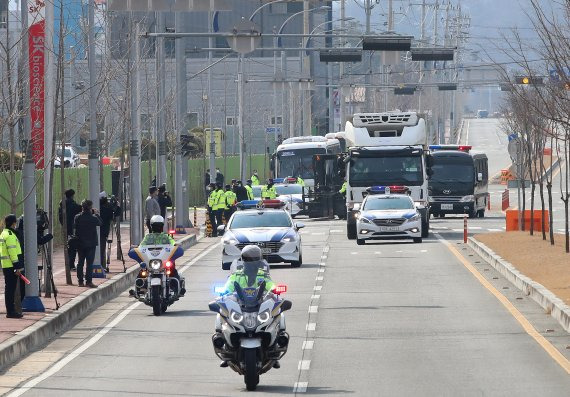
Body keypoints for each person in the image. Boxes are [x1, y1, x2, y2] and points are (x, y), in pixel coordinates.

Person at [219, 245, 276, 368]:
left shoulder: (263, 275)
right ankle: (225, 347)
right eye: (249, 260)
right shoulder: (237, 275)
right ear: (243, 260)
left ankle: (274, 346)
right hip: (241, 307)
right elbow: (228, 286)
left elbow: (271, 285)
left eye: (254, 260)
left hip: (258, 306)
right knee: (221, 312)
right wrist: (223, 292)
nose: (252, 263)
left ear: (259, 260)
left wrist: (274, 290)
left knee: (277, 312)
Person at [136, 215, 185, 296]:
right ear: (151, 226)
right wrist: (137, 247)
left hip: (164, 262)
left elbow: (173, 243)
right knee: (142, 271)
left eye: (158, 226)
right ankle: (139, 288)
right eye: (155, 226)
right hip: (152, 262)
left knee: (172, 270)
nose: (157, 228)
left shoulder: (166, 237)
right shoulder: (148, 237)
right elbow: (141, 246)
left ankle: (177, 289)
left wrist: (176, 245)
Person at [73, 200, 102, 288]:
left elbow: (74, 227)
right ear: (90, 208)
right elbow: (100, 223)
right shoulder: (93, 218)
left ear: (82, 207)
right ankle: (89, 281)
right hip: (91, 243)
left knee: (80, 262)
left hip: (80, 243)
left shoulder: (77, 217)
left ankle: (80, 281)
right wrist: (96, 213)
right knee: (89, 264)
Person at [1, 214, 25, 318]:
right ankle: (10, 312)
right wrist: (17, 267)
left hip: (6, 265)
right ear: (13, 223)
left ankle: (10, 310)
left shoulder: (4, 233)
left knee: (9, 289)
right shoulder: (10, 235)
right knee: (10, 290)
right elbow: (12, 252)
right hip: (11, 266)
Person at [58, 189, 81, 271]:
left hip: (65, 228)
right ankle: (71, 264)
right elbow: (80, 209)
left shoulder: (61, 205)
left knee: (67, 246)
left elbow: (60, 218)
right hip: (72, 229)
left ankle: (68, 264)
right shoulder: (73, 204)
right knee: (73, 247)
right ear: (72, 195)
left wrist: (63, 225)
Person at [99, 192, 120, 272]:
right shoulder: (107, 208)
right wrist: (117, 206)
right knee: (101, 250)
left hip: (98, 232)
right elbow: (115, 214)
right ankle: (101, 266)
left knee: (100, 250)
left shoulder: (98, 208)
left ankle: (101, 265)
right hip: (103, 231)